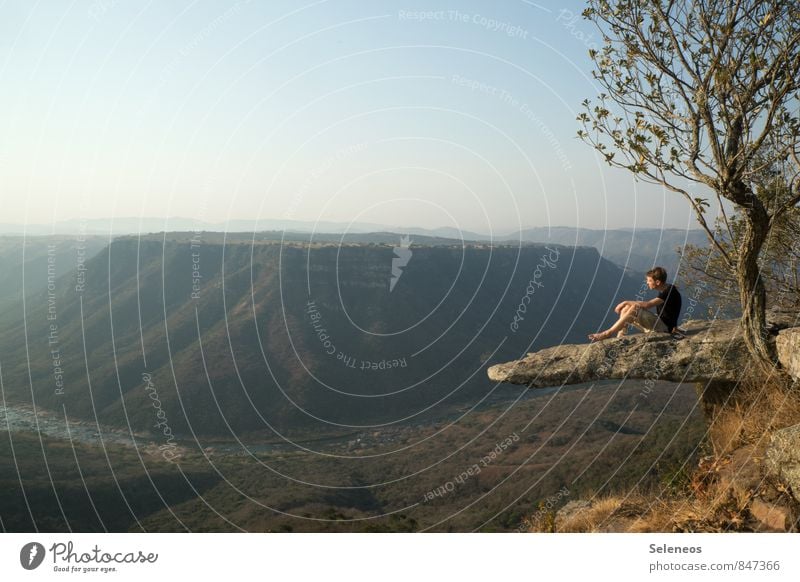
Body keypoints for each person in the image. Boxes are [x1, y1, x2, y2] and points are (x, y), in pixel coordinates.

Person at [588, 267, 682, 342]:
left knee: (634, 308)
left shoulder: (669, 291)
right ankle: (620, 336)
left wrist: (625, 302)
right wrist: (626, 304)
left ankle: (607, 333)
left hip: (664, 328)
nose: (647, 282)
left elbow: (647, 305)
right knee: (627, 308)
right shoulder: (666, 289)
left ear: (657, 282)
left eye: (649, 280)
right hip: (660, 324)